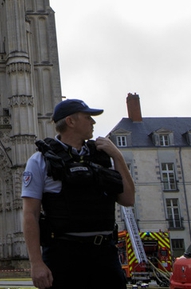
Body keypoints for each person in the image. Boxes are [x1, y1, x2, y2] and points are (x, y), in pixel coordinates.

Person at [21, 98, 135, 289]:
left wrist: (117, 156)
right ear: (70, 121)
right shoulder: (40, 160)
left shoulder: (102, 157)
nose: (93, 122)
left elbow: (128, 199)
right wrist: (36, 263)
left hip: (104, 255)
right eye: (88, 117)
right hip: (63, 255)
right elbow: (30, 214)